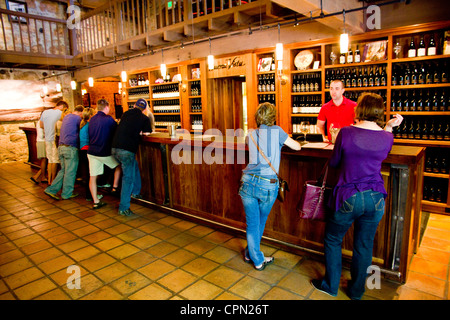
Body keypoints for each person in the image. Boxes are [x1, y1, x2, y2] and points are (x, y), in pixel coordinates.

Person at [311, 93, 403, 300]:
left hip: (348, 195)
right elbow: (382, 149)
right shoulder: (388, 136)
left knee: (333, 239)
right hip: (376, 198)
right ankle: (356, 291)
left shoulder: (346, 133)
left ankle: (331, 286)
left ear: (359, 109)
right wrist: (388, 127)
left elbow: (334, 162)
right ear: (379, 111)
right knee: (364, 244)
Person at [239, 102, 301, 271]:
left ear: (257, 117)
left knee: (253, 223)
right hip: (267, 185)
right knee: (258, 222)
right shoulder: (278, 131)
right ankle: (258, 260)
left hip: (247, 183)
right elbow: (297, 146)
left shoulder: (250, 134)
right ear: (273, 117)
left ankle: (249, 253)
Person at [111, 99, 153, 216]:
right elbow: (147, 133)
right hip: (127, 150)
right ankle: (123, 208)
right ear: (144, 109)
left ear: (134, 106)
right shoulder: (144, 118)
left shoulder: (125, 114)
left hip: (114, 148)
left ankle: (136, 192)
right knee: (127, 178)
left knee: (134, 165)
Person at [44, 105, 84, 200]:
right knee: (70, 172)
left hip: (61, 147)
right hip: (70, 147)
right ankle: (67, 194)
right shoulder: (78, 118)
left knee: (63, 171)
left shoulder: (66, 117)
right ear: (81, 112)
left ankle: (51, 190)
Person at [87, 99, 121, 209]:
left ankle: (96, 201)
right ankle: (114, 187)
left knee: (93, 177)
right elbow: (117, 132)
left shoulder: (92, 119)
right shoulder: (109, 119)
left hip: (92, 152)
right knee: (118, 166)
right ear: (106, 107)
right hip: (103, 152)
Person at [40, 100, 68, 184]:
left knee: (50, 160)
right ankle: (53, 180)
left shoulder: (45, 112)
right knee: (55, 160)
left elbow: (41, 125)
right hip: (54, 138)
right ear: (62, 107)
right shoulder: (59, 113)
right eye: (65, 109)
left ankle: (49, 180)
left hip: (47, 138)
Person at [78, 106, 101, 201]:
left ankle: (90, 194)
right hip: (87, 150)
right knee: (91, 174)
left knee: (88, 174)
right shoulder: (89, 126)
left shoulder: (83, 125)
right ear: (91, 116)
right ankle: (91, 195)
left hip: (82, 150)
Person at [31, 111, 48, 184]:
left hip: (40, 141)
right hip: (42, 141)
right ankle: (43, 177)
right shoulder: (42, 122)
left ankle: (37, 176)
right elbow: (45, 133)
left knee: (46, 160)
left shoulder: (40, 121)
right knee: (45, 160)